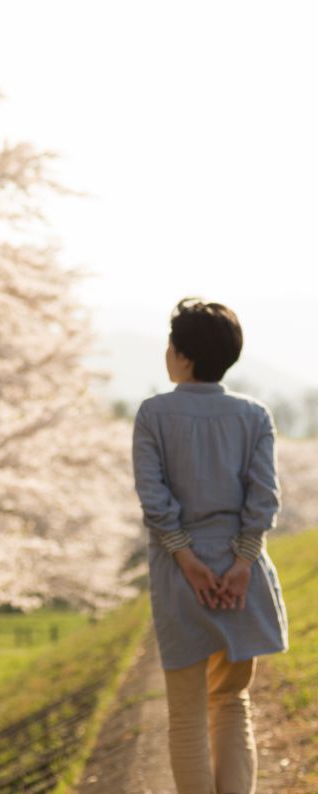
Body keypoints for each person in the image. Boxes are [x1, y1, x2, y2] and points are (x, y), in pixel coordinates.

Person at [132, 298, 288, 794]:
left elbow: (155, 500)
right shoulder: (254, 415)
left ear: (180, 355)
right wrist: (242, 563)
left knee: (186, 715)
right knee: (232, 704)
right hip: (240, 575)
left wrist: (186, 558)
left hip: (182, 576)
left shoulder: (154, 413)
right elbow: (263, 498)